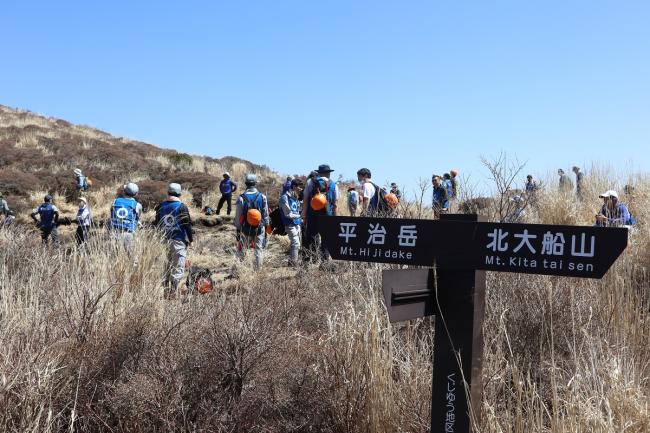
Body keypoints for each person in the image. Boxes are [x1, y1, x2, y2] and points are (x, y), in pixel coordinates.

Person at [155, 183, 194, 298]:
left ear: (168, 192)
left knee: (166, 266)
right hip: (178, 241)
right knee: (178, 267)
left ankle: (166, 291)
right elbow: (187, 225)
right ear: (179, 193)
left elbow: (157, 224)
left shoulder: (161, 206)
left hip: (163, 240)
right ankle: (172, 292)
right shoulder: (182, 206)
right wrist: (191, 240)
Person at [302, 164, 337, 262]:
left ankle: (311, 259)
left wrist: (304, 215)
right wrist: (334, 217)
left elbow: (305, 199)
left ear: (318, 173)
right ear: (329, 173)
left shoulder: (311, 182)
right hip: (327, 215)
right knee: (326, 237)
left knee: (311, 236)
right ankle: (325, 260)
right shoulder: (333, 184)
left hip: (313, 213)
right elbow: (335, 203)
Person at [234, 174, 269, 269]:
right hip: (259, 228)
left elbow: (238, 216)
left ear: (246, 184)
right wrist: (266, 228)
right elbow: (265, 215)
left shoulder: (241, 198)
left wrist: (238, 229)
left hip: (245, 228)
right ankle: (258, 272)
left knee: (241, 249)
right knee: (258, 250)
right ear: (255, 184)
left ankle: (238, 270)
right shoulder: (262, 197)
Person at [108, 182, 143, 253]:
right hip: (128, 233)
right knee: (132, 257)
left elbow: (111, 213)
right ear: (136, 194)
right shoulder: (137, 205)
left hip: (114, 232)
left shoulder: (115, 201)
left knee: (113, 256)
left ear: (124, 191)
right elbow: (137, 217)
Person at [279, 178, 303, 266]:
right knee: (296, 242)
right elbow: (288, 214)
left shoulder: (295, 197)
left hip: (297, 223)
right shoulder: (284, 197)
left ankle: (291, 261)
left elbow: (297, 210)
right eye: (299, 187)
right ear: (293, 187)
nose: (301, 189)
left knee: (297, 243)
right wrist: (301, 216)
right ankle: (294, 263)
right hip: (289, 224)